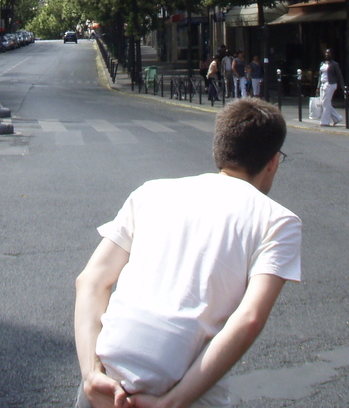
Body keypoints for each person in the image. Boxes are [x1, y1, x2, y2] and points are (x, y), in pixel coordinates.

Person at [73, 97, 301, 408]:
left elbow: (91, 280)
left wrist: (90, 376)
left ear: (219, 149)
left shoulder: (150, 192)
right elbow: (249, 319)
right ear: (273, 161)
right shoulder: (276, 220)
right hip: (185, 394)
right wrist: (171, 403)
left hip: (105, 384)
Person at [316, 49, 343, 127]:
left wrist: (342, 86)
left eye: (329, 53)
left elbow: (339, 75)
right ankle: (337, 118)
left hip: (330, 84)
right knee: (323, 103)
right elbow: (320, 76)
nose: (327, 54)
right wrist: (318, 87)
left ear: (332, 54)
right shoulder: (322, 63)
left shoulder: (334, 64)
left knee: (325, 102)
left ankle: (325, 122)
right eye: (326, 53)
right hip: (322, 84)